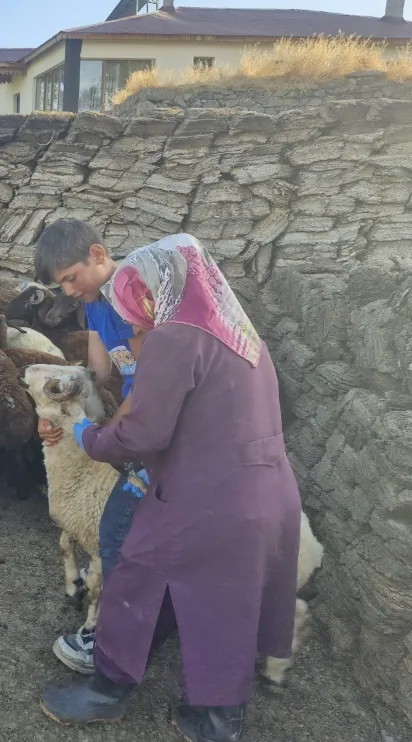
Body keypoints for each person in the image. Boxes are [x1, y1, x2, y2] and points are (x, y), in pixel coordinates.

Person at [39, 233, 302, 742]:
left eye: (137, 314)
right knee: (225, 604)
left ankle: (107, 691)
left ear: (153, 294)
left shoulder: (174, 337)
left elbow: (143, 435)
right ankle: (219, 722)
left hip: (206, 498)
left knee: (136, 571)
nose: (136, 326)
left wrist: (86, 435)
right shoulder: (239, 335)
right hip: (263, 492)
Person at [33, 218, 146, 673]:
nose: (68, 291)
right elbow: (97, 374)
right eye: (60, 284)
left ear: (97, 255)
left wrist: (108, 434)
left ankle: (107, 636)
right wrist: (59, 413)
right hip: (136, 417)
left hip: (160, 420)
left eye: (70, 278)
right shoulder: (96, 306)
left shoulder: (134, 297)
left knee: (116, 530)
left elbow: (154, 379)